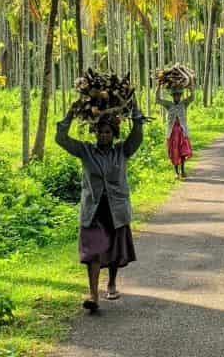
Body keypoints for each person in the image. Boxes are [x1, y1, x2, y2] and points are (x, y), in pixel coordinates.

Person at [56, 100, 145, 313]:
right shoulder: (85, 151)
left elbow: (137, 134)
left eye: (107, 132)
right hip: (94, 209)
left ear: (114, 134)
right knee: (94, 251)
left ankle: (112, 283)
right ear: (95, 132)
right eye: (100, 132)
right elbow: (61, 138)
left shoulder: (123, 151)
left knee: (115, 248)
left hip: (116, 208)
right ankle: (93, 295)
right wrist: (71, 113)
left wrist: (135, 110)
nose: (103, 135)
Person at [157, 84, 193, 179]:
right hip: (172, 132)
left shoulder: (184, 104)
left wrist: (190, 87)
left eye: (178, 95)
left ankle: (183, 170)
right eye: (175, 95)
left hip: (182, 131)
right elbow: (158, 100)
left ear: (180, 96)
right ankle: (176, 172)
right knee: (174, 152)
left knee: (182, 151)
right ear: (172, 96)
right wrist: (158, 87)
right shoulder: (169, 105)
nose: (177, 97)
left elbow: (192, 97)